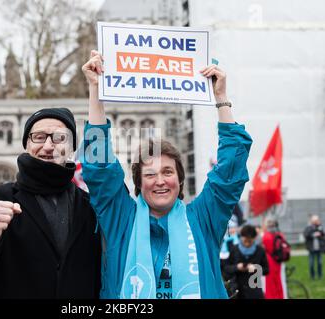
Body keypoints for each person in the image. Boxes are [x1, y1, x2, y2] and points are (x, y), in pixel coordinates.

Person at [80, 50, 253, 299]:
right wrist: (95, 90)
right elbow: (99, 169)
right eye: (149, 174)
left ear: (180, 180)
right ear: (138, 183)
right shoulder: (121, 218)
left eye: (167, 172)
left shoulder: (203, 217)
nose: (160, 181)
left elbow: (230, 172)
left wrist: (221, 97)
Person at [0, 108, 101, 298]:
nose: (49, 146)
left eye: (59, 138)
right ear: (27, 143)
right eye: (39, 137)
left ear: (72, 147)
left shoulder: (89, 205)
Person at [224, 224, 269, 299]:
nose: (247, 244)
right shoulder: (235, 249)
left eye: (250, 241)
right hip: (237, 289)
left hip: (254, 290)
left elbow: (267, 270)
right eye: (245, 241)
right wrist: (237, 267)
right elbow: (226, 268)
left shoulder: (260, 251)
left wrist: (256, 268)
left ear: (254, 239)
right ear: (241, 237)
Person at [261, 216, 287, 299]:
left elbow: (266, 248)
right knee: (279, 282)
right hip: (279, 261)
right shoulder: (280, 234)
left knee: (270, 284)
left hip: (269, 261)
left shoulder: (266, 236)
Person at [304, 215, 325, 280]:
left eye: (317, 220)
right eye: (315, 220)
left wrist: (320, 231)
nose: (317, 221)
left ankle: (320, 276)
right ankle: (312, 276)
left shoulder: (320, 227)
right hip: (311, 248)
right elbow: (306, 235)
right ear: (312, 221)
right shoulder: (308, 227)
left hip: (319, 248)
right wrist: (313, 234)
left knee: (320, 263)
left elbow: (324, 234)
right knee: (311, 264)